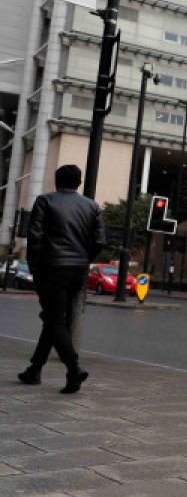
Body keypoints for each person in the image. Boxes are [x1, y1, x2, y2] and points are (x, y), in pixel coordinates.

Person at [17, 164, 104, 393]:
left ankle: (74, 369)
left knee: (54, 319)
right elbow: (100, 240)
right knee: (54, 319)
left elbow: (35, 237)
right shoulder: (92, 206)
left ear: (57, 180)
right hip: (78, 270)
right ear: (79, 183)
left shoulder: (45, 201)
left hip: (52, 268)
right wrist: (84, 258)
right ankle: (34, 370)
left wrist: (35, 268)